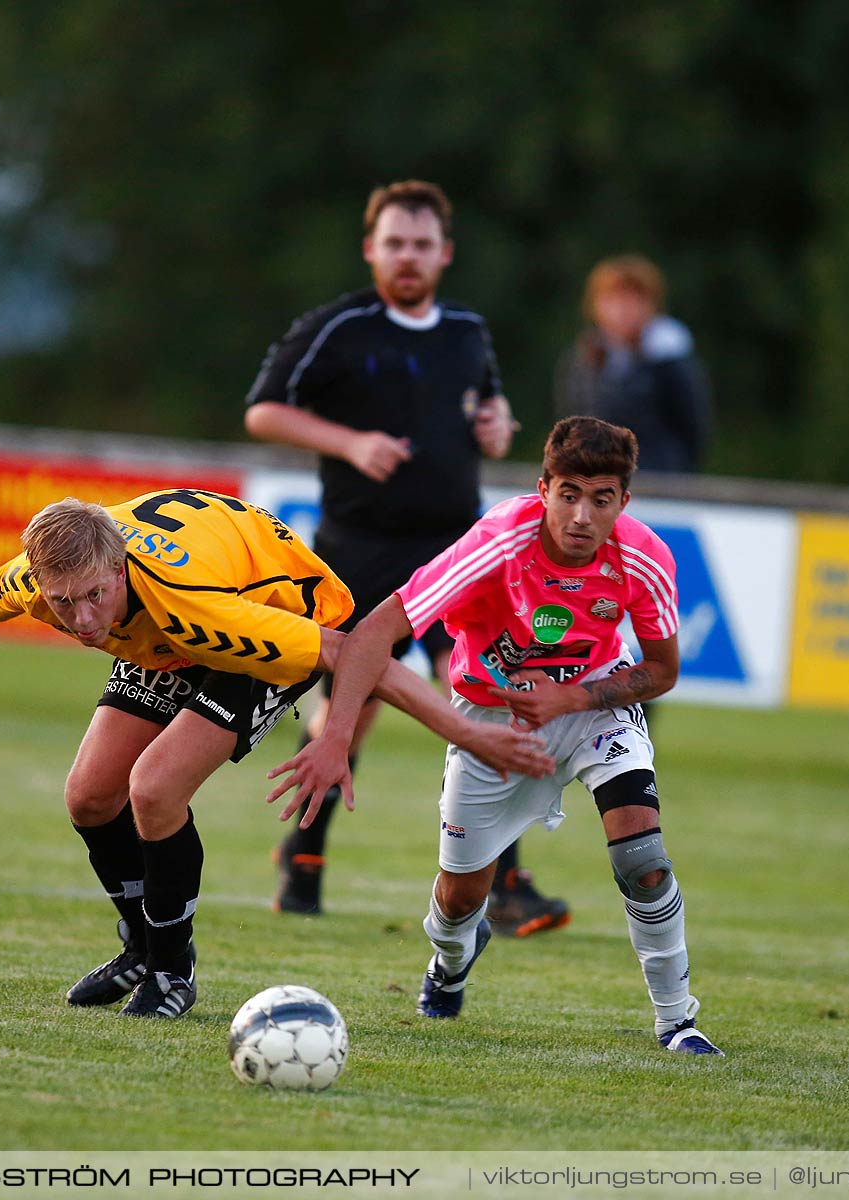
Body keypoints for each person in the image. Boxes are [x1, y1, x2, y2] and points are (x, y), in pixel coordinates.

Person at [0, 489, 554, 1020]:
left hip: (281, 615)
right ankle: (142, 947)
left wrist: (463, 734)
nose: (80, 622)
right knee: (88, 796)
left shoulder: (199, 607)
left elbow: (358, 654)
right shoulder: (50, 578)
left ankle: (172, 971)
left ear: (120, 567)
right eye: (63, 602)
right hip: (169, 627)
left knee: (155, 789)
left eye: (94, 598)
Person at [271, 418, 723, 1054]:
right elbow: (376, 632)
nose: (582, 516)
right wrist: (336, 735)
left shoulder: (644, 557)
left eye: (601, 499)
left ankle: (678, 1021)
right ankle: (451, 962)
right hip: (489, 720)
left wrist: (569, 695)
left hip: (594, 705)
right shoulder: (499, 543)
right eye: (568, 494)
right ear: (542, 490)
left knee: (642, 859)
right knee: (460, 898)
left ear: (625, 501)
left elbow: (661, 670)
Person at [244, 179, 570, 935]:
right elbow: (264, 407)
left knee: (494, 695)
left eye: (422, 244)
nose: (408, 257)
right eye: (394, 243)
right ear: (371, 249)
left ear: (445, 254)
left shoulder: (465, 331)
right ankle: (305, 854)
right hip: (359, 547)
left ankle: (510, 881)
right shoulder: (339, 327)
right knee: (347, 709)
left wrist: (497, 427)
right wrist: (348, 441)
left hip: (458, 552)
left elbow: (487, 412)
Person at [554, 255, 712, 474]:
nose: (622, 310)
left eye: (632, 300)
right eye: (612, 300)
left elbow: (692, 430)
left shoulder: (670, 359)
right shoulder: (583, 359)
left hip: (660, 482)